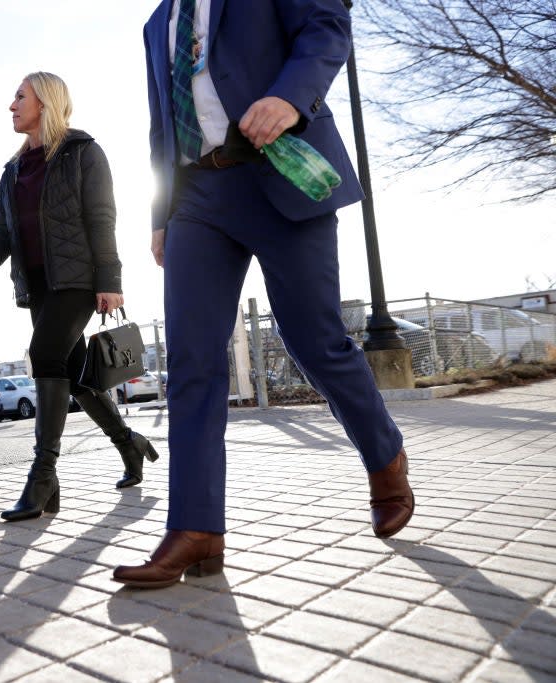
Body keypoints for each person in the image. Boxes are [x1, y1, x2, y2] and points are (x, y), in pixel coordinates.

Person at [113, 0, 414, 589]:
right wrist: (159, 215)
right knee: (194, 361)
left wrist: (289, 96)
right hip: (196, 197)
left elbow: (326, 25)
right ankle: (196, 527)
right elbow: (160, 124)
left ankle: (385, 457)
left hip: (283, 168)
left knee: (315, 340)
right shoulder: (156, 23)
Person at [0, 72, 159, 523]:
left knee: (43, 356)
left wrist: (110, 279)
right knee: (78, 377)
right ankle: (131, 445)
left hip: (80, 281)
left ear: (45, 102)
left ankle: (43, 474)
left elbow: (103, 217)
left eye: (19, 97)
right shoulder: (13, 170)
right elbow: (3, 233)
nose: (11, 105)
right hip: (39, 285)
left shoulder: (84, 153)